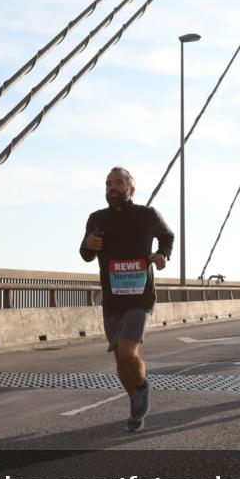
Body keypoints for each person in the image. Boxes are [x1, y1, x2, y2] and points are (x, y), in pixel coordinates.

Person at [80, 166, 174, 432]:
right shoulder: (97, 219)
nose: (112, 187)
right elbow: (85, 254)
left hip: (141, 298)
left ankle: (142, 387)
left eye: (118, 183)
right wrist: (89, 245)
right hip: (112, 300)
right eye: (108, 183)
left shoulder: (148, 215)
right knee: (121, 360)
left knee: (126, 349)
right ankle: (135, 399)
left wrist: (162, 255)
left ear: (131, 188)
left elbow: (167, 236)